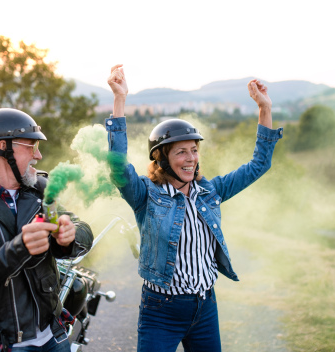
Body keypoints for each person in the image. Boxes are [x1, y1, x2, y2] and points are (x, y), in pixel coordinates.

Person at [105, 64, 283, 352]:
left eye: (194, 150)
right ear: (161, 159)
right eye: (181, 152)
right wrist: (120, 100)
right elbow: (117, 167)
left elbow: (258, 165)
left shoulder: (210, 192)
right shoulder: (147, 195)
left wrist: (264, 109)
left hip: (205, 308)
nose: (191, 159)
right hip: (160, 311)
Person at [0, 108, 94, 352]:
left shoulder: (38, 187)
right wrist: (20, 247)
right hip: (1, 341)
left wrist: (69, 236)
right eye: (31, 146)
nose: (39, 155)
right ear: (3, 147)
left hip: (51, 334)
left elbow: (83, 229)